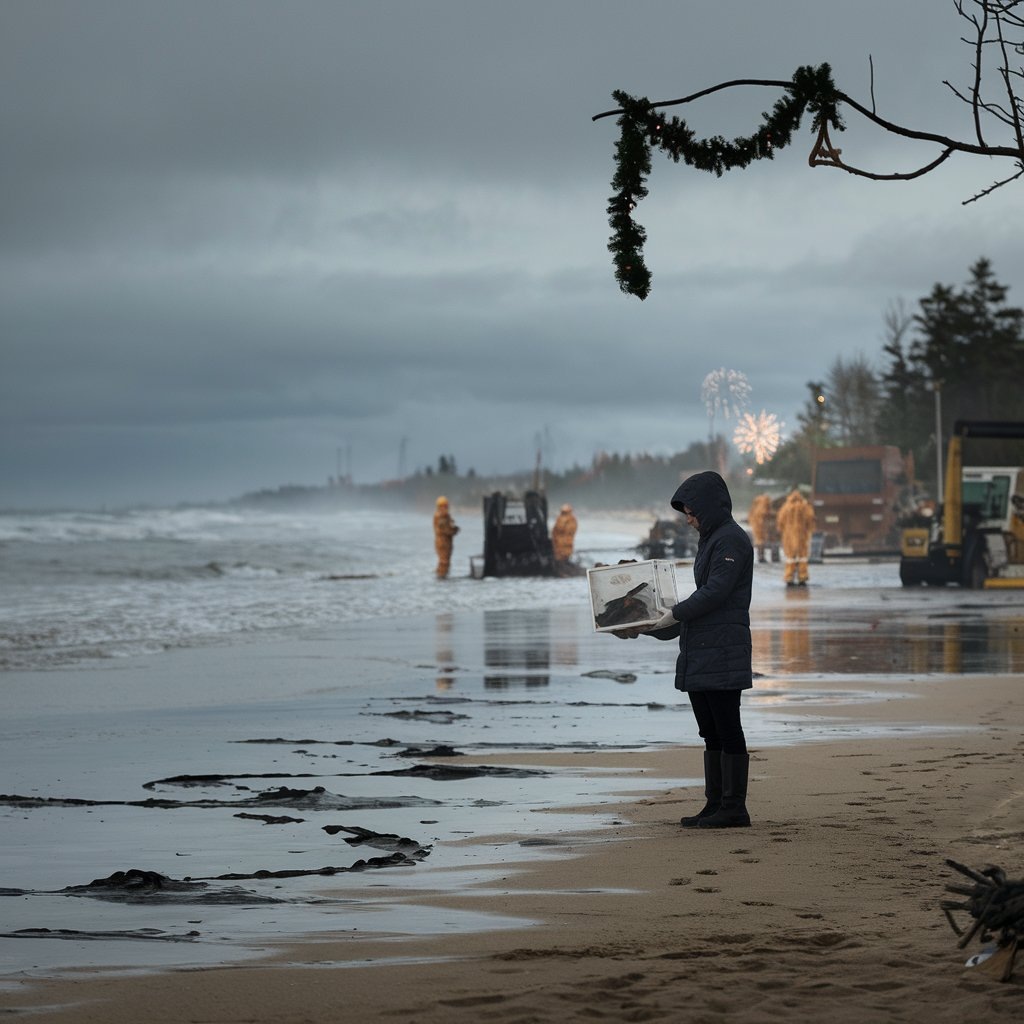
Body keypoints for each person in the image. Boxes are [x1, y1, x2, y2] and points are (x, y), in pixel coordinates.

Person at [615, 471, 753, 829]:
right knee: (710, 731)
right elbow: (698, 605)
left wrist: (673, 613)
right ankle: (715, 804)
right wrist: (645, 626)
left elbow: (716, 592)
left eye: (692, 513)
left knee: (727, 728)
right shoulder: (711, 540)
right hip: (702, 648)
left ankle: (734, 808)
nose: (688, 520)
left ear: (708, 508)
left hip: (723, 649)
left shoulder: (731, 540)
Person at [776, 488, 816, 586]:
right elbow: (811, 519)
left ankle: (789, 577)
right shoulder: (805, 506)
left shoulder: (786, 507)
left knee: (790, 557)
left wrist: (782, 531)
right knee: (802, 557)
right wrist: (809, 530)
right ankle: (802, 577)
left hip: (789, 537)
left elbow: (780, 521)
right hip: (802, 536)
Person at [433, 496, 459, 578]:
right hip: (443, 542)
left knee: (445, 561)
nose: (446, 507)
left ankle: (442, 576)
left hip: (446, 542)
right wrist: (454, 531)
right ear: (440, 506)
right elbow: (445, 530)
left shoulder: (445, 515)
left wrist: (453, 528)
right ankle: (441, 577)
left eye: (447, 505)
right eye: (444, 505)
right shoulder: (440, 516)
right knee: (444, 561)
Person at [747, 493, 772, 563]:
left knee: (759, 540)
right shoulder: (765, 503)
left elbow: (751, 513)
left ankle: (760, 556)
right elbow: (765, 513)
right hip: (760, 525)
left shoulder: (756, 503)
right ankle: (761, 556)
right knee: (761, 540)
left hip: (756, 523)